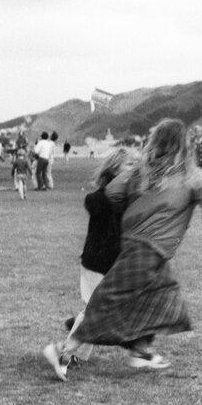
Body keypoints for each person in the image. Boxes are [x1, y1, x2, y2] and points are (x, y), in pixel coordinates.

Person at [43, 118, 202, 381]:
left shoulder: (140, 172)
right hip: (149, 250)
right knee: (110, 301)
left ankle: (141, 351)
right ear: (184, 146)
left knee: (165, 298)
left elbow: (113, 192)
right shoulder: (192, 176)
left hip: (139, 245)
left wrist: (134, 207)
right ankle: (62, 351)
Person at [58, 148, 134, 368]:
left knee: (102, 311)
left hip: (114, 264)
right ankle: (65, 352)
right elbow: (94, 202)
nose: (134, 169)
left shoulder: (130, 196)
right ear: (114, 168)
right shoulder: (101, 197)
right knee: (97, 311)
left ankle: (76, 339)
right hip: (96, 263)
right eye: (129, 165)